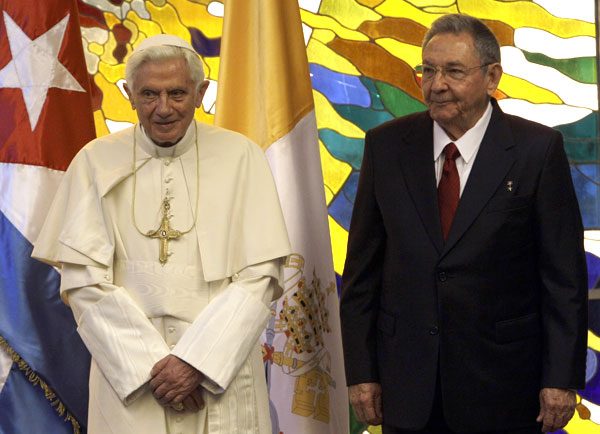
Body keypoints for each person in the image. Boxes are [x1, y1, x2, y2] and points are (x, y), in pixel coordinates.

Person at [340, 13, 588, 434]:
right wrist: (361, 372)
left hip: (505, 388)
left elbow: (563, 278)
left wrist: (561, 378)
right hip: (407, 388)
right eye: (428, 70)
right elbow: (362, 273)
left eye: (454, 71)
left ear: (492, 77)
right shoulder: (386, 147)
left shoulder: (537, 150)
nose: (437, 84)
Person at [32, 34, 291, 434]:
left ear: (201, 93)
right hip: (131, 379)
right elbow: (82, 282)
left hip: (219, 375)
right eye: (149, 94)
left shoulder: (242, 157)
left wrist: (198, 362)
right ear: (129, 95)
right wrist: (149, 367)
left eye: (177, 93)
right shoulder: (94, 162)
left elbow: (261, 276)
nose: (164, 108)